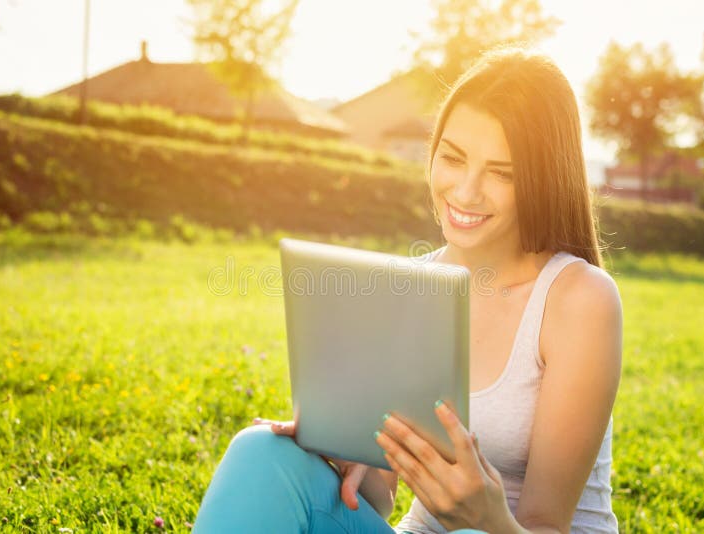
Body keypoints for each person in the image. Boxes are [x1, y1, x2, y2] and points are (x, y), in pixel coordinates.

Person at [192, 46, 622, 534]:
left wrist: (488, 519)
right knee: (260, 454)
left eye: (501, 173)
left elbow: (547, 522)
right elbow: (377, 499)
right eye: (453, 159)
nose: (466, 191)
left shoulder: (578, 300)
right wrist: (346, 449)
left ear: (543, 179)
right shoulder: (408, 287)